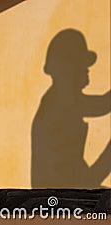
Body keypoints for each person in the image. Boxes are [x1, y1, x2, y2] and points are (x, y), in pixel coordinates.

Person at [31, 29, 111, 188]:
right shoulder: (58, 106)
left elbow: (103, 104)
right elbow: (83, 182)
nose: (87, 70)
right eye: (82, 65)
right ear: (68, 70)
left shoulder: (59, 101)